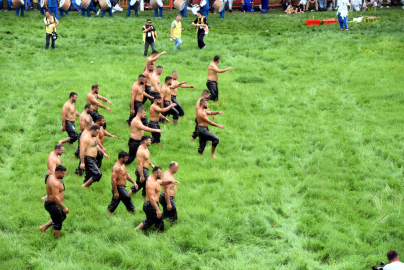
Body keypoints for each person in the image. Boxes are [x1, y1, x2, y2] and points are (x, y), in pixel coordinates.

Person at [134, 166, 180, 232]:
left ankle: (135, 230)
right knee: (160, 222)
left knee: (150, 220)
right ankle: (159, 236)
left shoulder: (156, 180)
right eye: (160, 173)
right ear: (155, 173)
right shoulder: (151, 182)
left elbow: (162, 182)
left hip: (151, 204)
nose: (161, 174)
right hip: (150, 205)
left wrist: (171, 181)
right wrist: (158, 210)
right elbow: (152, 198)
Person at [39, 165, 69, 239]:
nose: (64, 175)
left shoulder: (52, 176)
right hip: (53, 204)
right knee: (57, 222)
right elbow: (55, 197)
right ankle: (56, 241)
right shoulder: (55, 182)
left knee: (62, 216)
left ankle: (43, 227)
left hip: (53, 203)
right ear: (58, 173)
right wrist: (64, 207)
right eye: (63, 173)